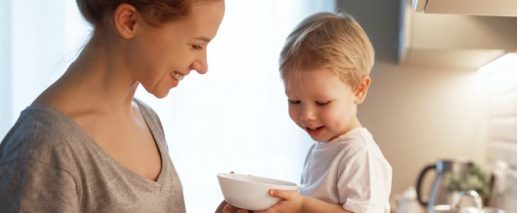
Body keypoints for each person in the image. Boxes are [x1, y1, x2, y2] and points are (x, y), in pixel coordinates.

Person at [0, 0, 224, 212]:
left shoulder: (146, 119)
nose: (203, 65)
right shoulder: (44, 150)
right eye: (196, 45)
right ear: (129, 21)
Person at [222, 12, 392, 213]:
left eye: (322, 102)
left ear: (359, 89)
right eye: (294, 100)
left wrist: (302, 206)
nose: (306, 115)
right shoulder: (321, 149)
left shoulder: (360, 154)